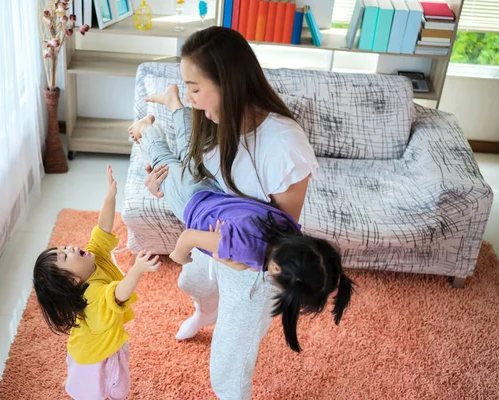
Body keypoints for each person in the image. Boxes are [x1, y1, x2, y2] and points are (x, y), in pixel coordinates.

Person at [141, 26, 349, 399]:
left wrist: (241, 259)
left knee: (228, 363)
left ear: (227, 83)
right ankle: (206, 312)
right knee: (192, 283)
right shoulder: (213, 121)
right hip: (215, 235)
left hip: (250, 263)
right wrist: (161, 184)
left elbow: (282, 230)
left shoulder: (283, 145)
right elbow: (202, 178)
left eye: (194, 87)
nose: (189, 98)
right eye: (185, 88)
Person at [129, 114, 354, 353]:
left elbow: (243, 257)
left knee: (186, 156)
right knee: (164, 161)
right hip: (189, 203)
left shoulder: (287, 228)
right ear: (276, 270)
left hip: (212, 191)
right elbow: (189, 237)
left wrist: (229, 259)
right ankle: (147, 129)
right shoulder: (246, 248)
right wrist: (179, 256)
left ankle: (176, 108)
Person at [33, 165, 160, 400]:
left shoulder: (93, 258)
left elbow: (102, 228)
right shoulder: (91, 295)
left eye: (63, 248)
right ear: (72, 280)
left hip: (87, 343)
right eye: (64, 256)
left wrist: (110, 196)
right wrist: (138, 269)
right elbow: (118, 295)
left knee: (85, 378)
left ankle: (76, 380)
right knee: (114, 390)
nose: (70, 247)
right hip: (98, 355)